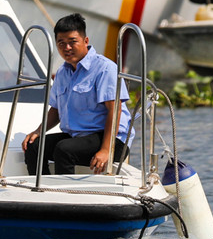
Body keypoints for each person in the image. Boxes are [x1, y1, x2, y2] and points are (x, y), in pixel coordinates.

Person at [21, 13, 132, 176]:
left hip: (111, 139)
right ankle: (42, 191)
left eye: (72, 42)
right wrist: (38, 131)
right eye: (61, 43)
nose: (67, 48)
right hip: (78, 137)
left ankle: (67, 195)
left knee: (64, 149)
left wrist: (106, 150)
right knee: (34, 145)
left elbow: (114, 111)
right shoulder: (62, 72)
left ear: (85, 41)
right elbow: (56, 109)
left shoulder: (105, 69)